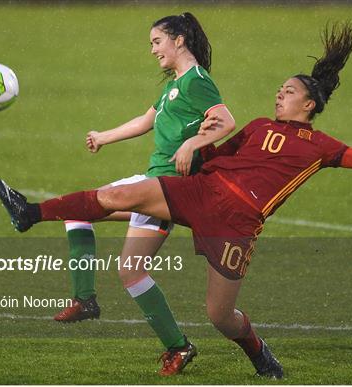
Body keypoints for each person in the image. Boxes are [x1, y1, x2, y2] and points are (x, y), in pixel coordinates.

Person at [0, 22, 352, 378]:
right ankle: (29, 213)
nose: (280, 94)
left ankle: (257, 350)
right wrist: (193, 146)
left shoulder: (321, 147)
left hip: (236, 223)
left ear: (309, 105)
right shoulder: (261, 126)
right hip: (201, 192)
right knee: (116, 194)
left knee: (220, 316)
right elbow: (220, 151)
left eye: (289, 92)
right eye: (280, 89)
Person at [52, 12, 235, 376]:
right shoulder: (174, 84)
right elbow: (145, 120)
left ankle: (176, 346)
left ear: (179, 39)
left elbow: (227, 120)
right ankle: (88, 301)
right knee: (80, 215)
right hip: (152, 181)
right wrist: (104, 136)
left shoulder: (197, 81)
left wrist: (192, 144)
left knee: (128, 267)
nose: (153, 50)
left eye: (157, 41)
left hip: (167, 188)